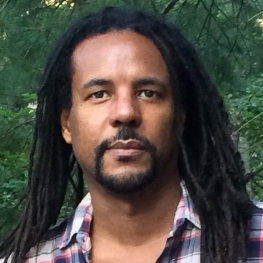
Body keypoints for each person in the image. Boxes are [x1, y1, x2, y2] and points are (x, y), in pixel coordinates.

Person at [0, 6, 262, 263]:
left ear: (180, 118)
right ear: (67, 125)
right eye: (99, 94)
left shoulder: (254, 242)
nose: (125, 113)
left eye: (148, 92)